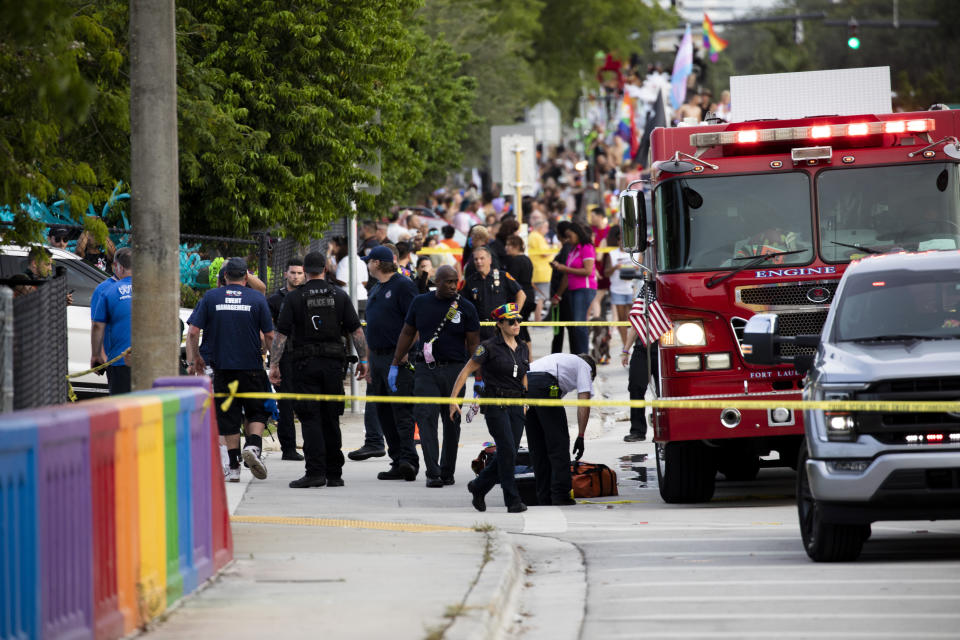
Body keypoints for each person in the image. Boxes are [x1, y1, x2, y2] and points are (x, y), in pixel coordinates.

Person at [269, 251, 366, 488]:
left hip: (305, 365)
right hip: (334, 366)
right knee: (331, 417)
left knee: (311, 418)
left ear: (305, 269)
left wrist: (274, 365)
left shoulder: (294, 298)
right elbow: (356, 331)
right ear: (324, 268)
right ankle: (334, 473)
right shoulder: (339, 296)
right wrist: (364, 360)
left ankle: (315, 472)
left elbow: (281, 335)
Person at [187, 257, 275, 483]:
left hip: (222, 369)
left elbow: (194, 332)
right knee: (257, 411)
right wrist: (274, 361)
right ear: (246, 277)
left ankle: (233, 467)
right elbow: (270, 336)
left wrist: (193, 359)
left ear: (224, 277)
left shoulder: (211, 297)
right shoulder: (257, 298)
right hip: (252, 368)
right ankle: (254, 446)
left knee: (228, 417)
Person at [391, 265, 480, 487]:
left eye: (455, 281)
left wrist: (479, 377)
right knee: (425, 418)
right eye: (447, 281)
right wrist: (395, 363)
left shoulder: (466, 307)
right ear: (436, 281)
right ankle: (433, 472)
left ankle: (447, 471)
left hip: (455, 371)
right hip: (425, 370)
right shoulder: (420, 303)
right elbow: (407, 332)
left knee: (452, 422)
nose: (452, 285)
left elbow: (473, 344)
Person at [450, 303, 529, 513]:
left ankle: (479, 486)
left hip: (516, 405)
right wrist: (453, 399)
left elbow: (524, 374)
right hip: (495, 404)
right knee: (507, 450)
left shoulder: (522, 346)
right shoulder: (488, 346)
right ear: (500, 324)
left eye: (518, 320)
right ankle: (512, 500)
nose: (516, 324)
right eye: (511, 321)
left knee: (509, 453)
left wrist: (525, 400)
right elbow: (465, 371)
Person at [360, 245, 421, 481]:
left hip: (397, 358)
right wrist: (367, 360)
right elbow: (372, 326)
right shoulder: (377, 288)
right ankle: (397, 461)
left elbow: (414, 323)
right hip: (377, 357)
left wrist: (404, 352)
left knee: (401, 411)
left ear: (377, 263)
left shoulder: (403, 285)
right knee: (383, 412)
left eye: (369, 261)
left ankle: (409, 460)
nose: (367, 265)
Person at [525, 352, 596, 506]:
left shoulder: (561, 363)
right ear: (591, 372)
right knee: (559, 444)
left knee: (538, 447)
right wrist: (581, 436)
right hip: (544, 383)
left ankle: (543, 496)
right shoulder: (584, 366)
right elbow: (584, 401)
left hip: (525, 384)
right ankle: (560, 495)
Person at [267, 257, 306, 461]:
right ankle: (288, 449)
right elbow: (268, 332)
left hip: (306, 356)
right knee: (286, 405)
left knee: (306, 403)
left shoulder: (308, 297)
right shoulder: (275, 300)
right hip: (285, 357)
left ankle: (311, 446)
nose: (296, 276)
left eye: (300, 273)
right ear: (285, 274)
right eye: (293, 272)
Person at [91, 248, 133, 394]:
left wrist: (95, 355)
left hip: (119, 360)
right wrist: (101, 355)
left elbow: (97, 326)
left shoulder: (108, 292)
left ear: (118, 266)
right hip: (135, 359)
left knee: (123, 408)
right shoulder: (103, 289)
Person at [551, 222, 597, 354]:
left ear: (577, 234)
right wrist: (558, 295)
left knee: (579, 324)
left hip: (584, 289)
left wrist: (564, 268)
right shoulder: (572, 250)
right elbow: (567, 275)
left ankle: (583, 355)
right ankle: (579, 354)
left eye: (570, 236)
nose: (568, 240)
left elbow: (588, 271)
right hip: (573, 290)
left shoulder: (586, 247)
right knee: (576, 325)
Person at [462, 246, 525, 340]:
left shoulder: (502, 276)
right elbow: (463, 303)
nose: (478, 262)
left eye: (482, 258)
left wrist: (513, 316)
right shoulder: (470, 281)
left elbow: (521, 294)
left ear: (490, 260)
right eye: (476, 259)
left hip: (499, 327)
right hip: (479, 329)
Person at [622, 324, 659, 442]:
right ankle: (637, 431)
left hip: (665, 346)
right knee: (635, 386)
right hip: (641, 347)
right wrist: (626, 350)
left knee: (664, 391)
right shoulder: (641, 304)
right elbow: (635, 325)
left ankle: (661, 430)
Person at [603, 225, 634, 353]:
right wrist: (615, 268)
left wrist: (635, 269)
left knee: (634, 320)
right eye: (621, 239)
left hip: (633, 290)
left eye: (625, 239)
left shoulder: (636, 253)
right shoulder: (612, 254)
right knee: (622, 320)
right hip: (618, 290)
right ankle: (625, 345)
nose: (623, 242)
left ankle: (632, 344)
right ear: (617, 241)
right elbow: (606, 273)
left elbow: (643, 269)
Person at [549, 221, 576, 354]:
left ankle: (558, 357)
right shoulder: (568, 248)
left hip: (564, 297)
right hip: (564, 295)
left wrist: (557, 295)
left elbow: (566, 273)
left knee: (563, 331)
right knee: (560, 331)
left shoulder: (567, 248)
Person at [504, 235, 535, 344]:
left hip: (521, 297)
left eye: (509, 245)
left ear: (516, 246)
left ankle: (525, 356)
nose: (506, 247)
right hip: (530, 295)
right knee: (523, 328)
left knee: (519, 329)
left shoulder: (516, 260)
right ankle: (528, 357)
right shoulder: (527, 259)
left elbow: (512, 281)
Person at [527, 215, 553, 321]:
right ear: (540, 228)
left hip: (538, 271)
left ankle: (537, 318)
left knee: (538, 297)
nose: (547, 230)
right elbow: (545, 253)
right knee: (541, 298)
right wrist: (554, 248)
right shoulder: (537, 237)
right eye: (546, 227)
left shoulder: (533, 236)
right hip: (542, 272)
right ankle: (538, 319)